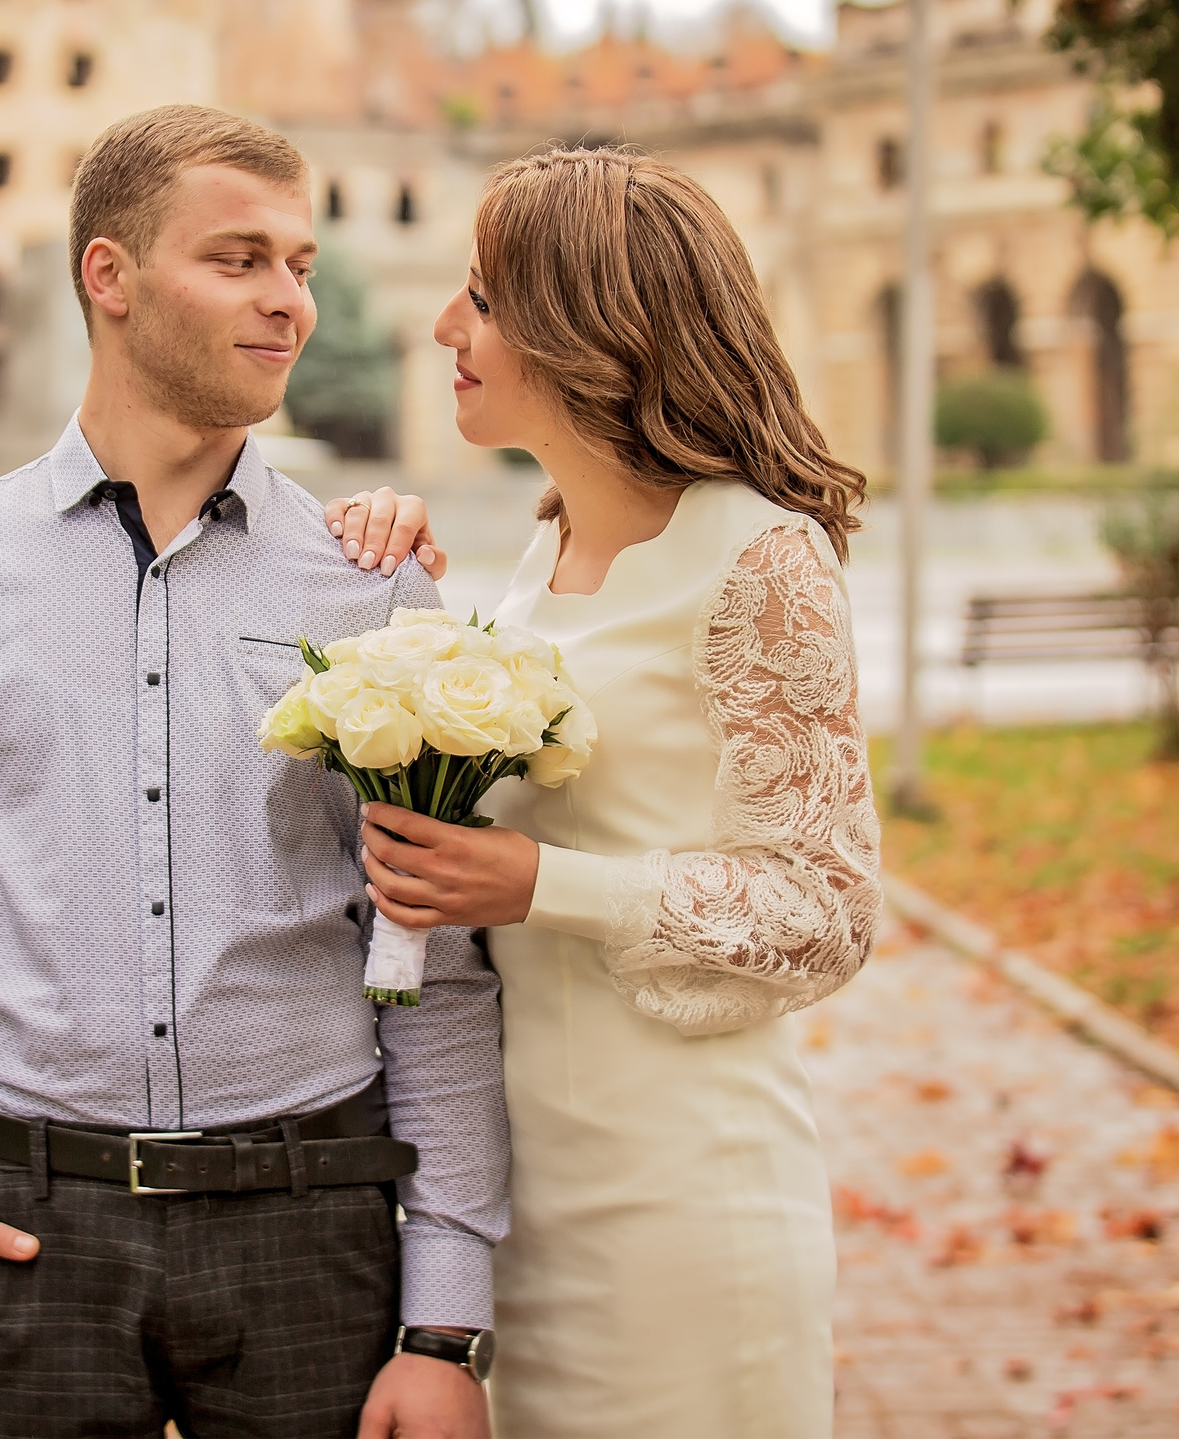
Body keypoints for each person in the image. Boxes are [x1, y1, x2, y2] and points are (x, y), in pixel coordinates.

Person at [0, 104, 505, 1439]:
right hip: (20, 1236)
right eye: (240, 261)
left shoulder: (370, 584)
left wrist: (445, 1320)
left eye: (301, 264)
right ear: (109, 278)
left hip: (313, 1227)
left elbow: (433, 955)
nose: (289, 303)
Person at [328, 147, 883, 1437]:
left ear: (589, 326)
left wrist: (539, 887)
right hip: (529, 1209)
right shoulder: (538, 547)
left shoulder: (762, 556)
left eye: (484, 298)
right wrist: (365, 575)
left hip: (686, 1205)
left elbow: (828, 909)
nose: (442, 327)